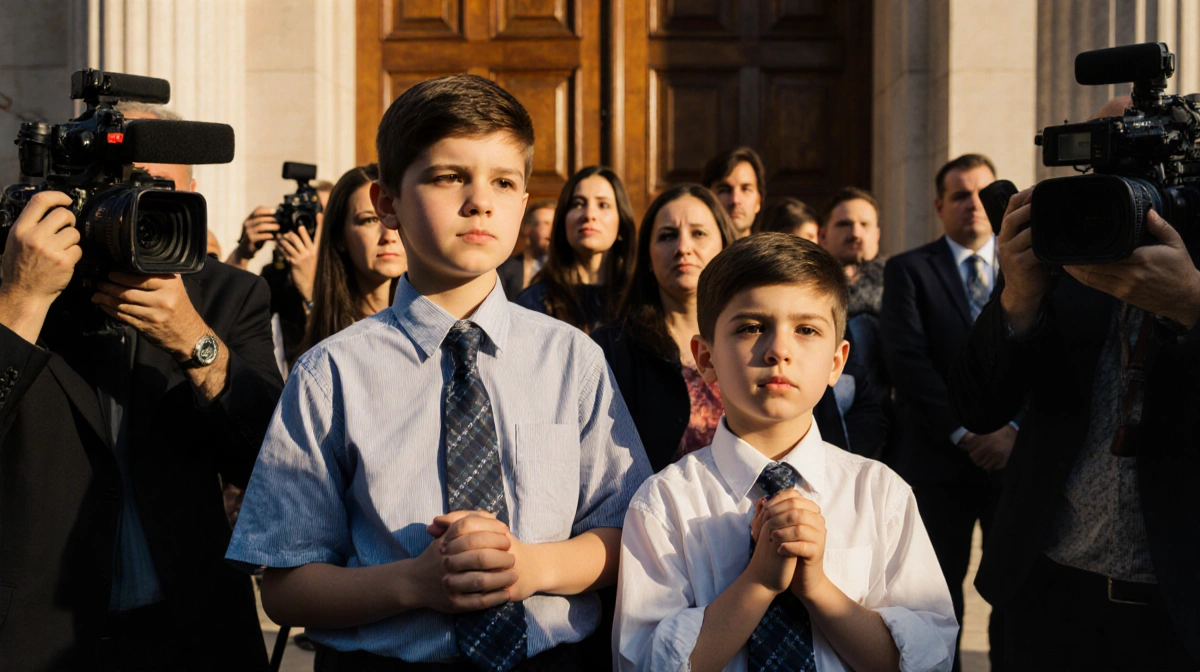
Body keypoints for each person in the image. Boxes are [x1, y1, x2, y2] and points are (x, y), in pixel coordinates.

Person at [224, 74, 652, 670]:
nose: (480, 200)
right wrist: (415, 583)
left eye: (503, 181)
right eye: (449, 176)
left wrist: (533, 566)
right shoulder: (331, 372)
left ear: (524, 204)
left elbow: (626, 535)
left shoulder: (573, 359)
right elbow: (286, 583)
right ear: (387, 203)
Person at [0, 116, 283, 669]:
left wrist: (193, 339)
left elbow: (274, 463)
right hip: (38, 639)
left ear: (191, 198)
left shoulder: (231, 294)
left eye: (154, 191)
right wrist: (22, 303)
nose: (130, 211)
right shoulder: (16, 283)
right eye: (115, 190)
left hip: (194, 635)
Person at [613, 233, 957, 671]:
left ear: (837, 363)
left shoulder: (880, 495)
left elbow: (928, 659)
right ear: (706, 358)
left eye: (807, 330)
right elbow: (643, 663)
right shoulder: (664, 504)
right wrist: (758, 582)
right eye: (751, 327)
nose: (778, 350)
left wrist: (817, 589)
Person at [948, 110, 1200, 668]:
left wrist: (1191, 305)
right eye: (1103, 161)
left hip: (1181, 611)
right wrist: (1017, 298)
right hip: (1045, 591)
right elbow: (980, 405)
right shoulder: (1068, 247)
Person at [880, 153, 1011, 671]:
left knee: (1015, 590)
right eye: (960, 195)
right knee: (938, 594)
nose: (974, 205)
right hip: (937, 462)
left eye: (984, 193)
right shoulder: (909, 269)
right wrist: (967, 433)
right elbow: (906, 361)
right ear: (939, 206)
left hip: (1015, 462)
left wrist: (1013, 432)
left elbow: (1050, 352)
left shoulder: (1038, 264)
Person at [591, 185, 738, 470]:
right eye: (667, 236)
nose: (683, 248)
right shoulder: (611, 350)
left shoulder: (760, 338)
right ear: (647, 256)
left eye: (699, 233)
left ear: (725, 247)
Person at [225, 179, 332, 371]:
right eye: (303, 212)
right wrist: (241, 255)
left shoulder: (350, 271)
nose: (307, 223)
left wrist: (310, 289)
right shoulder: (278, 274)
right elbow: (231, 320)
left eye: (318, 212)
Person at [515, 166, 637, 332]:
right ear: (563, 220)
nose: (589, 214)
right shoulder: (535, 303)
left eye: (603, 205)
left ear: (621, 222)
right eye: (578, 204)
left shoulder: (642, 302)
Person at [300, 163, 406, 351]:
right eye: (370, 220)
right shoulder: (324, 351)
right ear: (340, 236)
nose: (389, 235)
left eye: (396, 216)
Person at [700, 147, 766, 239]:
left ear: (758, 201)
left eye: (745, 189)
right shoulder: (693, 252)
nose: (735, 200)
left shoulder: (774, 253)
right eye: (724, 190)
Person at [497, 197, 554, 300]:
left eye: (555, 224)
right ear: (527, 229)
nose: (553, 229)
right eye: (546, 223)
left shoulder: (570, 269)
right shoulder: (505, 269)